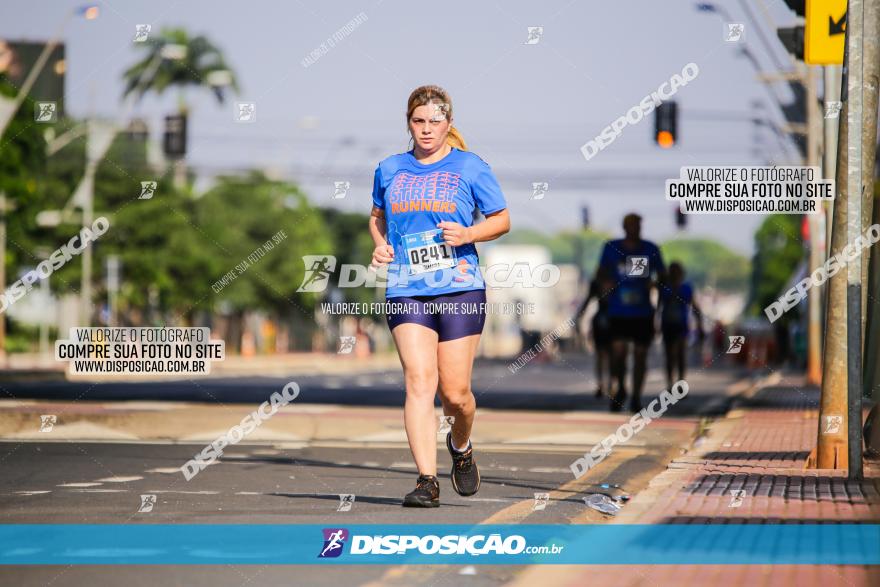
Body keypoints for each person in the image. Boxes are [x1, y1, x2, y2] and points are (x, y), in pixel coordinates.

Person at [368, 85, 510, 507]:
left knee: (455, 395)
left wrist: (468, 233)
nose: (426, 129)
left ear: (449, 123)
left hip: (460, 287)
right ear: (407, 123)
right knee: (418, 381)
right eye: (418, 121)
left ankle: (461, 447)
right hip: (406, 287)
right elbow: (376, 218)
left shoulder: (470, 167)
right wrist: (379, 243)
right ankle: (426, 480)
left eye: (435, 121)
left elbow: (501, 220)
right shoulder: (390, 168)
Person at [596, 213, 665, 412]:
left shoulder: (650, 249)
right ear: (624, 227)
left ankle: (635, 396)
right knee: (618, 352)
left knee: (640, 355)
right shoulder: (611, 248)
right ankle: (621, 388)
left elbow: (663, 276)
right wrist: (605, 288)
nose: (634, 228)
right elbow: (600, 274)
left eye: (637, 225)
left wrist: (656, 287)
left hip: (642, 313)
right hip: (618, 311)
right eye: (630, 225)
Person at [658, 262, 703, 391]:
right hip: (667, 325)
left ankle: (680, 383)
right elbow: (658, 306)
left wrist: (699, 325)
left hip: (681, 325)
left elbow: (694, 306)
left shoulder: (686, 288)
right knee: (669, 355)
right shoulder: (664, 288)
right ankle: (670, 384)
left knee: (681, 354)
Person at [575, 276, 612, 398]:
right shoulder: (596, 283)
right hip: (600, 321)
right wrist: (579, 316)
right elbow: (587, 300)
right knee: (601, 354)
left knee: (613, 355)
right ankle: (601, 383)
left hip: (615, 320)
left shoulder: (617, 279)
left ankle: (612, 383)